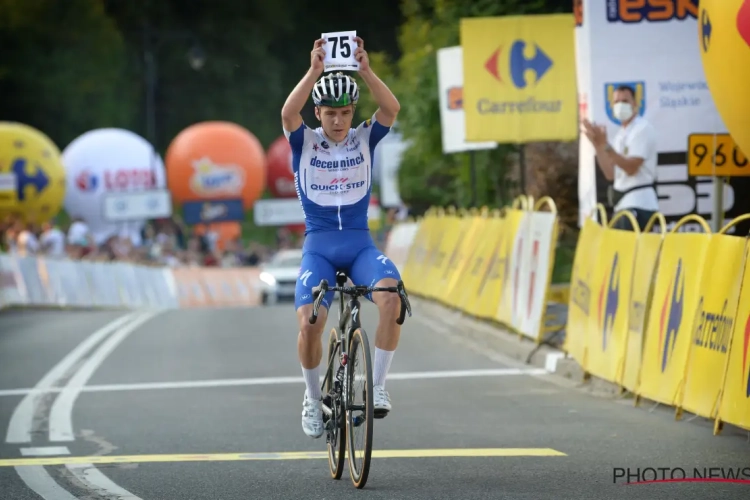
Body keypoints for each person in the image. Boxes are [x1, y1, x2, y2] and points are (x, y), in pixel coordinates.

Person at [281, 36, 403, 439]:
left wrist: (365, 71)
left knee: (392, 297)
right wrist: (314, 70)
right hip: (319, 247)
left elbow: (391, 109)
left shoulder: (365, 137)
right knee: (311, 321)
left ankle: (378, 386)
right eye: (331, 113)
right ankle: (313, 399)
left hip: (359, 245)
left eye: (346, 112)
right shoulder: (305, 141)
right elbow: (287, 112)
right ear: (318, 112)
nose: (338, 121)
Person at [581, 84, 659, 231]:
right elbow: (610, 174)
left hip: (639, 204)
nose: (620, 106)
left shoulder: (643, 129)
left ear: (635, 104)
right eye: (617, 102)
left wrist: (606, 146)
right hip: (623, 205)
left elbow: (630, 168)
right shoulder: (621, 134)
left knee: (633, 253)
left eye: (625, 101)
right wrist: (598, 146)